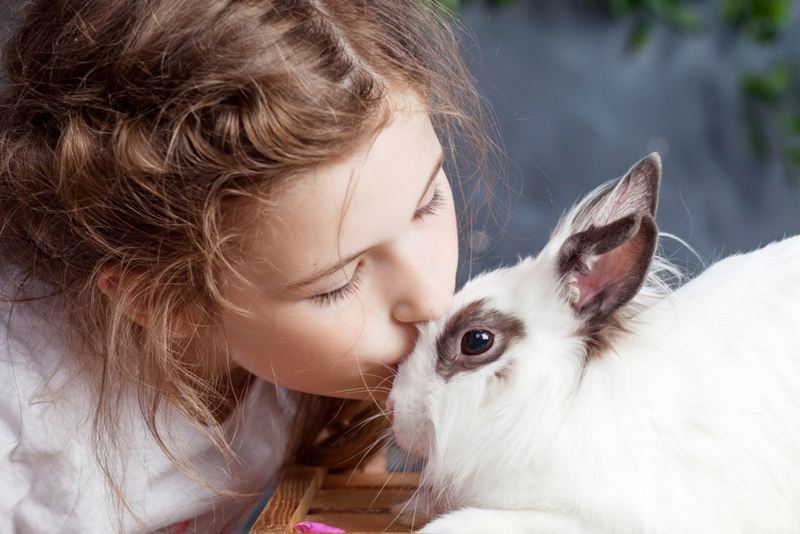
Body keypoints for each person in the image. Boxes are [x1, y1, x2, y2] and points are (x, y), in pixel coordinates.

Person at [0, 0, 492, 532]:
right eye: (339, 282)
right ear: (160, 302)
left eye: (427, 205)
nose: (434, 299)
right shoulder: (22, 420)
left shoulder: (329, 361)